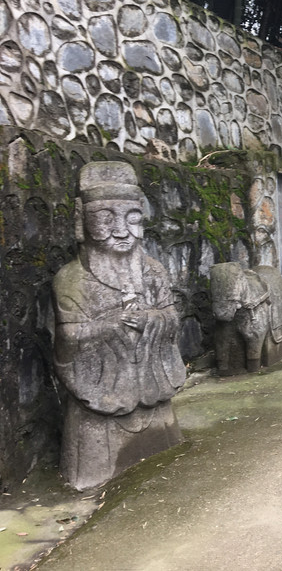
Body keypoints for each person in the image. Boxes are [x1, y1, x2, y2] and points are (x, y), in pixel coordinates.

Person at [53, 161, 186, 490]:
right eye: (106, 218)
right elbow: (68, 337)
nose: (122, 230)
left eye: (133, 218)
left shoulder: (153, 270)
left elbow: (171, 316)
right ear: (82, 221)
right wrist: (107, 326)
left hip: (150, 380)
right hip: (104, 387)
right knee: (95, 448)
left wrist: (154, 319)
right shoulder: (72, 278)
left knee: (163, 430)